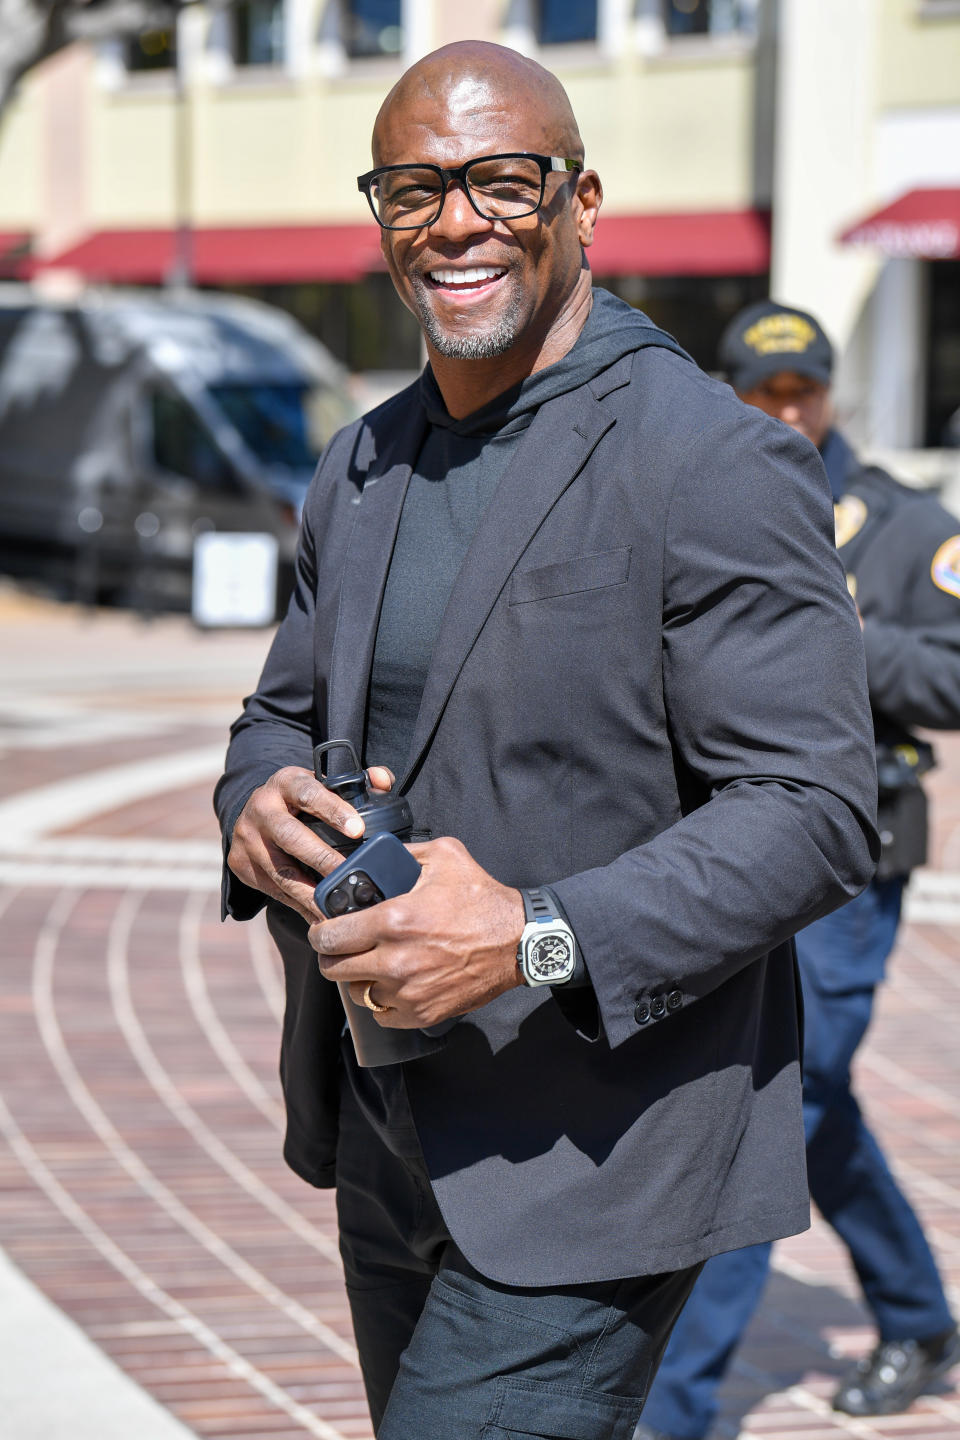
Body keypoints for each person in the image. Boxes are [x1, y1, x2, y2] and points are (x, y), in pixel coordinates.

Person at [214, 49, 877, 1439]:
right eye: (413, 189)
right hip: (387, 1125)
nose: (453, 222)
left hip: (599, 1149)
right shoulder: (365, 460)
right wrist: (256, 797)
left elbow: (816, 809)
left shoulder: (711, 458)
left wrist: (532, 935)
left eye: (498, 182)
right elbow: (285, 706)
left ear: (582, 202)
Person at [638, 300, 960, 1440]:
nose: (786, 409)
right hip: (718, 842)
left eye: (802, 391)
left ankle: (676, 1410)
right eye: (763, 391)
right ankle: (921, 1315)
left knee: (776, 1101)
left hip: (848, 853)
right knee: (809, 1106)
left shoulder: (907, 526)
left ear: (830, 396)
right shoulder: (693, 492)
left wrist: (828, 632)